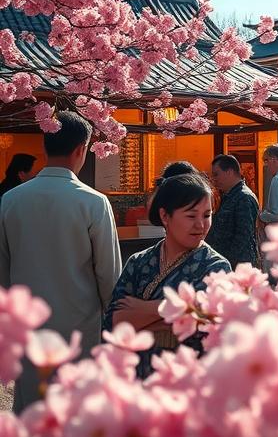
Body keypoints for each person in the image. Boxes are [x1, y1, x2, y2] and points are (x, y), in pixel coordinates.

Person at [0, 112, 122, 412]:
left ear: (45, 146)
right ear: (82, 149)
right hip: (80, 325)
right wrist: (115, 323)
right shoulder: (93, 202)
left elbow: (3, 270)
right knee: (78, 410)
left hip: (29, 325)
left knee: (31, 409)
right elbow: (109, 275)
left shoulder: (11, 200)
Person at [105, 174, 231, 378]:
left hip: (188, 380)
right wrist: (179, 311)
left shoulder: (216, 267)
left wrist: (147, 310)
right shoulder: (139, 262)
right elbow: (114, 322)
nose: (201, 225)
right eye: (191, 216)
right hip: (138, 379)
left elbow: (206, 327)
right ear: (165, 216)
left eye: (207, 215)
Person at [208, 153, 260, 269]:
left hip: (239, 266)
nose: (214, 179)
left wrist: (226, 261)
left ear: (229, 172)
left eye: (216, 174)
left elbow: (243, 235)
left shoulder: (244, 197)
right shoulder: (229, 196)